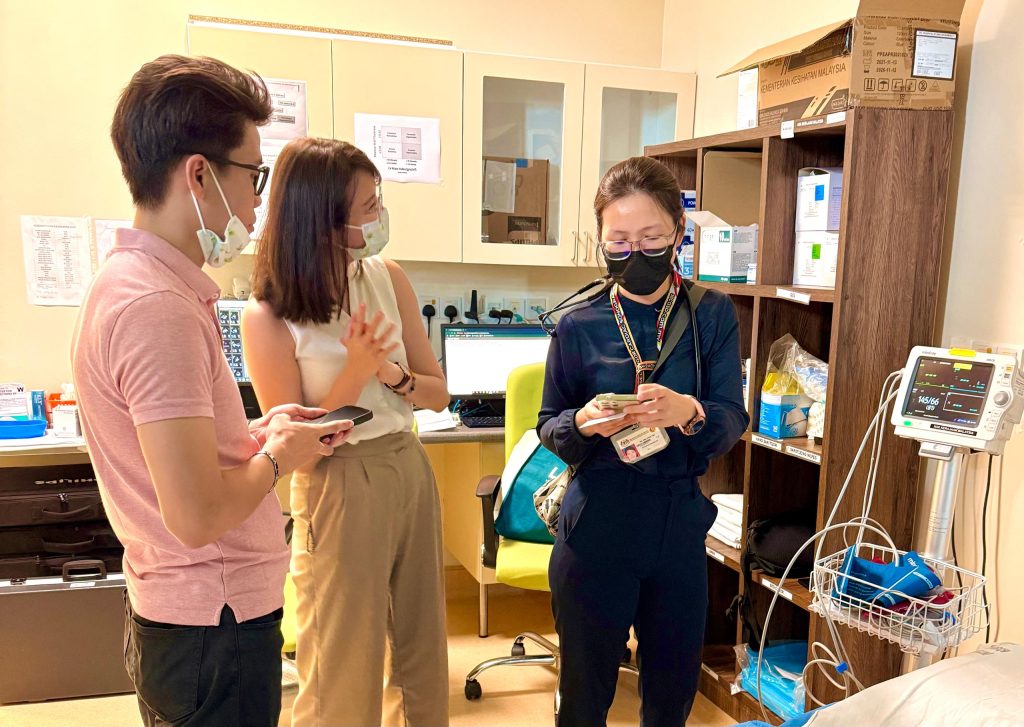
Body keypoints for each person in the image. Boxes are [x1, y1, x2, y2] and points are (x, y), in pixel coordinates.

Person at [71, 55, 353, 727]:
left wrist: (258, 436)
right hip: (213, 624)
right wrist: (280, 457)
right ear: (199, 174)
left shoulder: (135, 283)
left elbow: (176, 460)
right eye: (253, 176)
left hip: (190, 619)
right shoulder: (155, 308)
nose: (257, 203)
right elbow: (197, 514)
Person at [242, 137, 451, 727]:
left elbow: (438, 394)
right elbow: (297, 449)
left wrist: (394, 375)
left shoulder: (388, 276)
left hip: (407, 464)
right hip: (337, 482)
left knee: (421, 647)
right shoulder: (268, 315)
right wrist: (354, 372)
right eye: (367, 207)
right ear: (322, 220)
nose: (379, 216)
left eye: (377, 201)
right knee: (341, 659)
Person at [538, 156, 749, 726]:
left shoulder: (711, 314)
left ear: (678, 234)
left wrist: (690, 412)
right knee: (584, 698)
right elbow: (549, 424)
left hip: (677, 523)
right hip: (596, 523)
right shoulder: (578, 323)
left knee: (671, 696)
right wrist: (584, 424)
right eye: (619, 242)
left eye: (651, 239)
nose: (635, 254)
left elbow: (733, 418)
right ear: (600, 241)